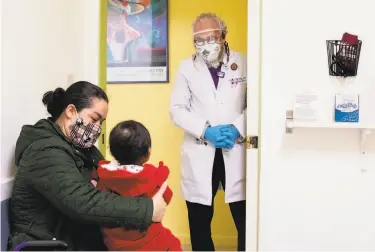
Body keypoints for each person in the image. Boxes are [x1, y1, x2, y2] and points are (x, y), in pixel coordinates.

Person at [8, 81, 168, 250]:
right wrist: (147, 210)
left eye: (101, 122)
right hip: (50, 245)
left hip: (76, 241)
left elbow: (107, 183)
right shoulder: (44, 151)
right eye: (94, 119)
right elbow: (84, 202)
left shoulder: (83, 149)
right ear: (71, 111)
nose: (97, 128)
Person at [169, 13, 247, 251]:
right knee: (200, 221)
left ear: (223, 36)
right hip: (202, 149)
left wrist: (237, 128)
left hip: (236, 149)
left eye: (210, 38)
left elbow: (256, 104)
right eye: (198, 40)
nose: (205, 45)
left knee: (245, 219)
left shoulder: (245, 62)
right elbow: (177, 109)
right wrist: (206, 130)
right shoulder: (186, 68)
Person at [92, 120, 181, 251]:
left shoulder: (105, 173)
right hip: (149, 241)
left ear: (112, 151)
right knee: (173, 244)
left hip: (114, 242)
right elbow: (166, 197)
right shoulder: (152, 176)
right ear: (148, 153)